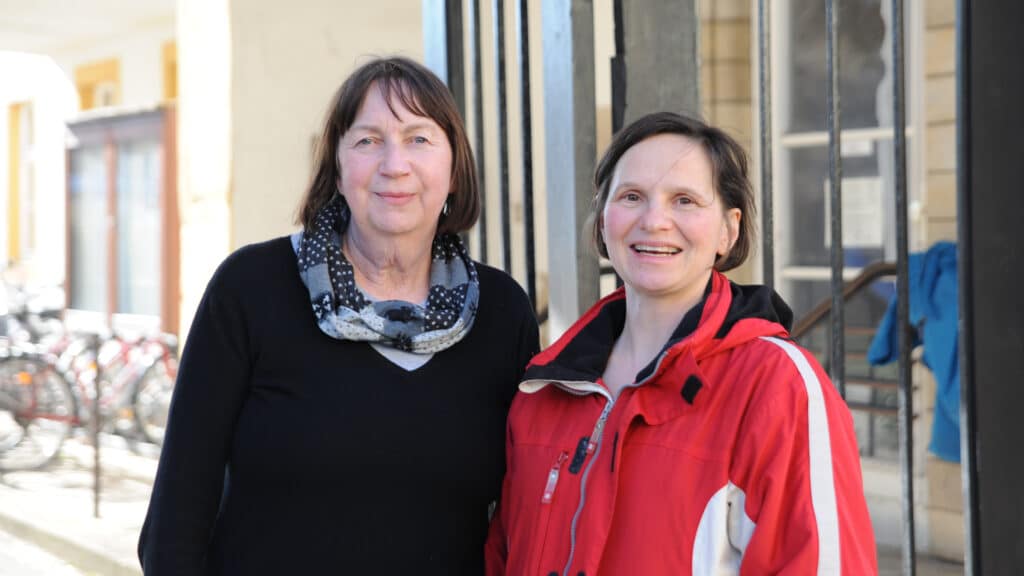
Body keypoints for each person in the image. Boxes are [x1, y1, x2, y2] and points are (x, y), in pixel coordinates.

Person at [138, 56, 539, 575]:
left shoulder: (500, 313)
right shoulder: (250, 289)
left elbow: (524, 513)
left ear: (455, 170)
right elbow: (177, 514)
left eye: (419, 139)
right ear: (337, 166)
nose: (395, 164)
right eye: (368, 140)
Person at [485, 112, 877, 575]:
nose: (654, 221)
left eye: (685, 201)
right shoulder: (542, 391)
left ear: (728, 231)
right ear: (603, 220)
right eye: (632, 196)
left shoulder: (777, 387)